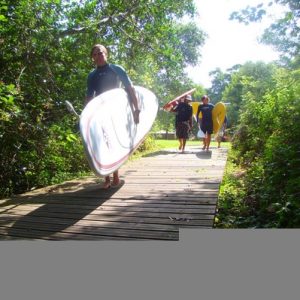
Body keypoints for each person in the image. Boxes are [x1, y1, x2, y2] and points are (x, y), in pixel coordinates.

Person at [85, 44, 140, 189]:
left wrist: (137, 108)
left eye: (101, 52)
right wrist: (86, 116)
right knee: (104, 142)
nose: (99, 54)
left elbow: (130, 88)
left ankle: (116, 176)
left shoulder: (116, 69)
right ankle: (107, 178)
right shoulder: (92, 75)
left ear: (106, 53)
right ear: (93, 58)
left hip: (117, 110)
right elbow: (90, 96)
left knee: (114, 141)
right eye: (96, 53)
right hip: (101, 112)